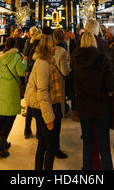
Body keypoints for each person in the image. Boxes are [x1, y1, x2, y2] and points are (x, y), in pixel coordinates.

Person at [71, 31, 114, 170]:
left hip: (84, 107)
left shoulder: (76, 60)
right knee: (104, 144)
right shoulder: (103, 59)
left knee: (88, 143)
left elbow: (74, 84)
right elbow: (111, 85)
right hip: (101, 107)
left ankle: (87, 169)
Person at [25, 34, 63, 170]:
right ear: (48, 48)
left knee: (42, 143)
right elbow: (42, 91)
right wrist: (49, 118)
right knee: (50, 146)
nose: (55, 48)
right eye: (53, 46)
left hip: (42, 106)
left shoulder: (46, 62)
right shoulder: (43, 64)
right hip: (42, 108)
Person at [0, 37, 27, 158]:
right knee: (10, 117)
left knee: (3, 116)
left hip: (3, 88)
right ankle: (0, 145)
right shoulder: (16, 56)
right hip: (12, 88)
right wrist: (25, 61)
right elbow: (20, 72)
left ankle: (3, 141)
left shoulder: (1, 58)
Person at [52, 28, 71, 159]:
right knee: (57, 115)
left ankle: (50, 144)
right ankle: (55, 147)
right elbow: (65, 71)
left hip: (50, 83)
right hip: (58, 83)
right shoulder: (62, 52)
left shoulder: (50, 50)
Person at [24, 27, 43, 138]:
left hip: (30, 72)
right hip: (36, 73)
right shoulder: (39, 44)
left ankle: (27, 129)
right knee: (38, 102)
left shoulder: (29, 42)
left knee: (30, 102)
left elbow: (26, 56)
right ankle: (39, 132)